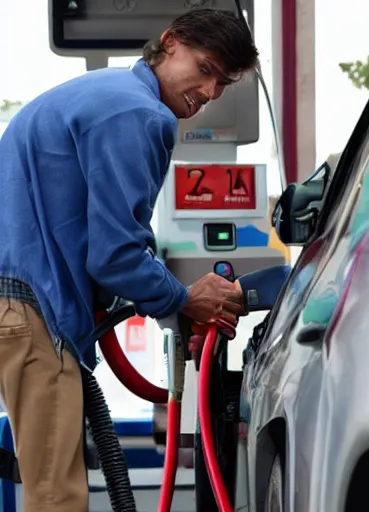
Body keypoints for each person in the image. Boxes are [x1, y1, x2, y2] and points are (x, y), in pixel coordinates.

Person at [0, 9, 258, 512]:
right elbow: (116, 256)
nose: (209, 94)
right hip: (35, 310)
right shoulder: (139, 113)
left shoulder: (103, 93)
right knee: (56, 498)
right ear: (170, 42)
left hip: (19, 302)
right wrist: (185, 298)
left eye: (223, 83)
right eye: (205, 70)